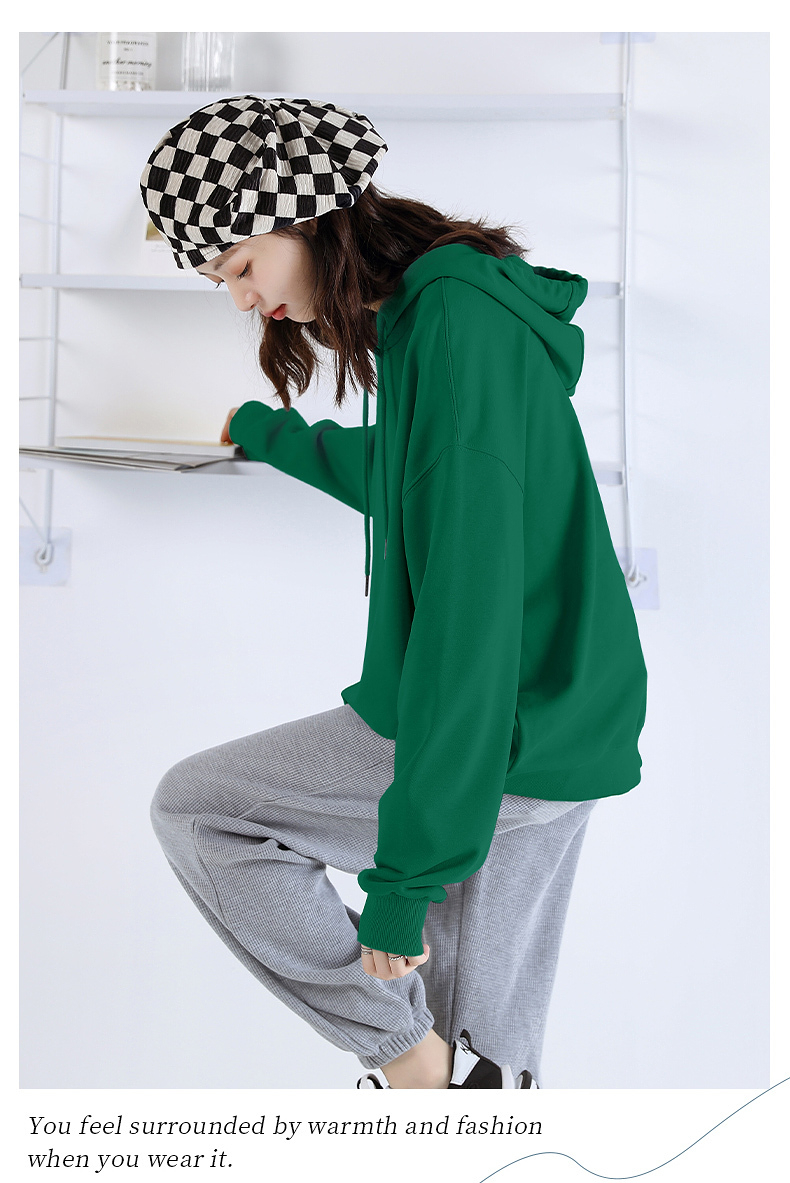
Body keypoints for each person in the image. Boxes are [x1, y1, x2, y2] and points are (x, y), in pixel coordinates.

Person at [141, 95, 648, 1090]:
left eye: (239, 265)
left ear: (302, 215)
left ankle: (401, 1053)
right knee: (483, 1065)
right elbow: (420, 473)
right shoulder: (447, 309)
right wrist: (274, 433)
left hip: (498, 725)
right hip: (566, 716)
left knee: (201, 809)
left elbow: (466, 620)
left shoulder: (450, 322)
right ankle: (442, 1084)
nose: (241, 299)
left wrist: (404, 883)